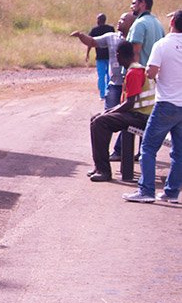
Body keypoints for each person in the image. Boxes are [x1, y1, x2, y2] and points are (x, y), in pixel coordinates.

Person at [124, 10, 182, 203]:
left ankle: (146, 190)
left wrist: (153, 73)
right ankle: (171, 192)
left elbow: (150, 72)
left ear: (172, 21)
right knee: (179, 152)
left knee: (148, 147)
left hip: (166, 103)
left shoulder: (162, 45)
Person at [71, 12, 136, 160]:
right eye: (119, 19)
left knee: (128, 122)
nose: (119, 22)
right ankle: (103, 155)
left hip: (130, 85)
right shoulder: (111, 37)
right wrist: (81, 36)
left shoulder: (135, 40)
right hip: (115, 84)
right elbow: (93, 41)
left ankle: (120, 151)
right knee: (107, 117)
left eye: (124, 20)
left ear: (132, 23)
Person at [89, 41, 154, 182]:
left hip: (141, 117)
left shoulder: (134, 72)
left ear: (118, 55)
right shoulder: (134, 69)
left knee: (100, 122)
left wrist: (108, 113)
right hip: (137, 114)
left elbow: (129, 103)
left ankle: (104, 171)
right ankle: (99, 166)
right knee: (96, 118)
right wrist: (109, 111)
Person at [127, 0, 165, 66]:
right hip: (154, 73)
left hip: (141, 73)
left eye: (134, 3)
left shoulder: (139, 24)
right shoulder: (158, 24)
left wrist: (134, 72)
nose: (131, 6)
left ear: (142, 3)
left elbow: (135, 52)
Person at [88, 13, 116, 100]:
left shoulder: (94, 30)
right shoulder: (110, 29)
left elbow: (90, 42)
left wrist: (87, 53)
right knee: (109, 75)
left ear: (99, 20)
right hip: (110, 56)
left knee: (101, 76)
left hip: (100, 57)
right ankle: (109, 93)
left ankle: (102, 95)